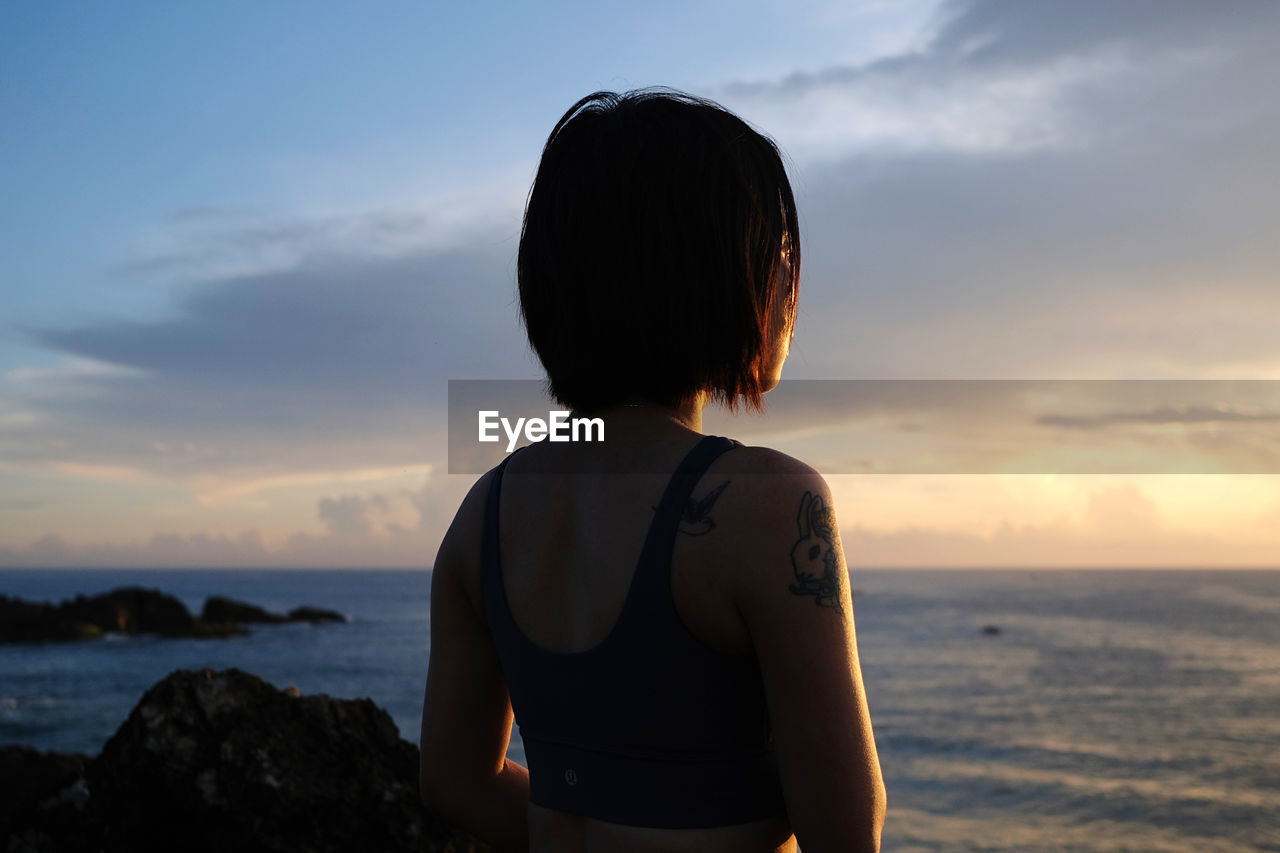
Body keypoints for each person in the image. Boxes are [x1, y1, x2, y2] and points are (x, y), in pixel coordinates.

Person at [420, 88, 885, 853]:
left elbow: (455, 780)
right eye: (781, 253)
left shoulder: (485, 514)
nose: (791, 283)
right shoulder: (768, 504)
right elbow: (846, 828)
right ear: (713, 271)